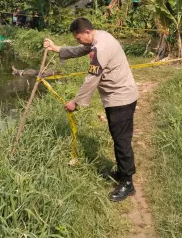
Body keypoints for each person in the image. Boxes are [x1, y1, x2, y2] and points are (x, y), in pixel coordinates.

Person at [44, 18, 139, 202]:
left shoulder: (100, 48)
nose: (78, 42)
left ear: (87, 32)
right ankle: (122, 172)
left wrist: (76, 102)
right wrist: (57, 49)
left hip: (121, 99)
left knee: (121, 140)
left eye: (78, 38)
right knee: (118, 136)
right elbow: (81, 49)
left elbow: (92, 79)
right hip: (118, 97)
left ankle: (128, 183)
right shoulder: (99, 37)